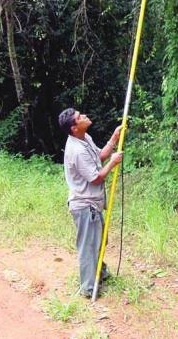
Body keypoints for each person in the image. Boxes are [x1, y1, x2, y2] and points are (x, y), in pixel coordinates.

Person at [58, 107, 123, 298]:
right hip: (84, 206)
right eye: (80, 117)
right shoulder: (76, 150)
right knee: (89, 246)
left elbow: (99, 156)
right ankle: (88, 287)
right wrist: (113, 162)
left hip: (92, 204)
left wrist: (114, 139)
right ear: (74, 128)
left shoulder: (85, 138)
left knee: (99, 240)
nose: (85, 116)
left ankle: (100, 274)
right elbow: (96, 178)